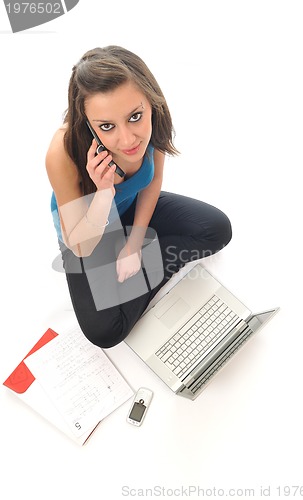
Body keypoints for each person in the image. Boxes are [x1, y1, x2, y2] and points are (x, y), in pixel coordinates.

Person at [46, 45, 232, 349]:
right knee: (105, 332)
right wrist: (103, 193)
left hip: (131, 208)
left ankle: (142, 262)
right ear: (87, 122)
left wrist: (134, 245)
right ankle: (132, 270)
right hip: (86, 230)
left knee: (217, 229)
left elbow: (153, 181)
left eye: (135, 116)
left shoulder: (154, 117)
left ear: (149, 101)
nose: (128, 139)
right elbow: (81, 245)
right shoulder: (62, 151)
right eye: (107, 126)